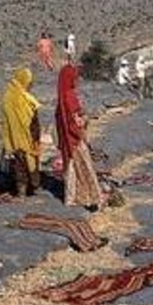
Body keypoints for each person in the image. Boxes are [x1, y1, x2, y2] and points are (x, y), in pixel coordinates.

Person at [55, 64, 103, 210]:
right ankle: (88, 196)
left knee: (71, 167)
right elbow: (75, 120)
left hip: (68, 138)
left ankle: (72, 196)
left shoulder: (62, 96)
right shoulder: (69, 96)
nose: (76, 80)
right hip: (75, 137)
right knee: (84, 166)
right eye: (74, 77)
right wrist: (84, 122)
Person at [0, 68, 42, 196]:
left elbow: (5, 120)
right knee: (27, 160)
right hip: (27, 134)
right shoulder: (25, 98)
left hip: (14, 137)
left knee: (19, 162)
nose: (30, 85)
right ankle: (29, 187)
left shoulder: (7, 97)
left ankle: (22, 189)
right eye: (29, 82)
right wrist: (36, 134)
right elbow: (33, 117)